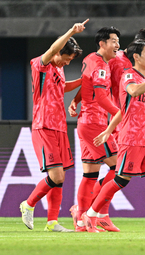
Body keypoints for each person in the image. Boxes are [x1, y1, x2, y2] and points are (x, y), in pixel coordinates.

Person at [68, 28, 145, 232]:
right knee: (116, 175)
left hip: (141, 128)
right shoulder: (118, 65)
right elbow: (98, 83)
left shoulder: (142, 69)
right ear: (139, 50)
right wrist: (80, 101)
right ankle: (89, 213)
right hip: (122, 126)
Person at [19, 19, 88, 232]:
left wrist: (84, 80)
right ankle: (28, 204)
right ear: (58, 53)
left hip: (59, 127)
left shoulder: (59, 70)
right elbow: (52, 49)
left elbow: (62, 88)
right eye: (66, 59)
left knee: (61, 177)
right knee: (55, 176)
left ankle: (52, 222)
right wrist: (71, 31)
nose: (66, 63)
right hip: (44, 126)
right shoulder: (41, 64)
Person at [71, 27, 121, 232]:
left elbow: (85, 85)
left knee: (90, 174)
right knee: (120, 168)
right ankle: (92, 212)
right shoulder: (101, 64)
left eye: (118, 41)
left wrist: (75, 100)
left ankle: (81, 221)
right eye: (114, 41)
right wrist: (121, 113)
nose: (117, 45)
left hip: (85, 122)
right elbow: (100, 97)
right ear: (102, 43)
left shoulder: (90, 59)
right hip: (95, 124)